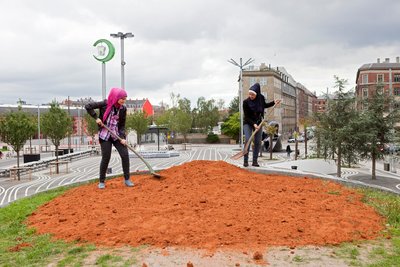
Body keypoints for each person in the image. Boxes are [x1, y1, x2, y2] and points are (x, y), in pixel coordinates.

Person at [85, 87, 134, 189]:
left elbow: (122, 126)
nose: (123, 101)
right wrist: (96, 118)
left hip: (116, 135)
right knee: (106, 157)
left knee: (125, 155)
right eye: (122, 99)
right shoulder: (105, 104)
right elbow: (88, 106)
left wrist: (123, 137)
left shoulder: (123, 109)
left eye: (125, 99)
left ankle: (127, 179)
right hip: (105, 135)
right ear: (116, 97)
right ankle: (102, 181)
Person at [243, 83, 280, 167]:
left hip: (259, 122)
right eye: (249, 94)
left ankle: (254, 161)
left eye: (252, 94)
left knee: (257, 142)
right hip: (248, 122)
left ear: (257, 93)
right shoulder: (245, 102)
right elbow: (247, 117)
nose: (250, 96)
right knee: (248, 139)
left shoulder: (261, 98)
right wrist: (254, 124)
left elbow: (265, 105)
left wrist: (274, 102)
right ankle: (245, 161)